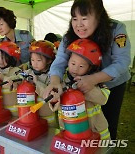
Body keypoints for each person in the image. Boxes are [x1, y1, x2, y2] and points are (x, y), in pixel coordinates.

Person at [44, 0, 131, 140]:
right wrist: (54, 82)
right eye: (74, 18)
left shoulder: (116, 29)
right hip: (82, 83)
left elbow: (122, 61)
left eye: (84, 18)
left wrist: (93, 79)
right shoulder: (69, 36)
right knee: (83, 119)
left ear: (99, 16)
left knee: (107, 123)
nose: (79, 25)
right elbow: (59, 61)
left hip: (113, 84)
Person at [57, 39, 110, 139]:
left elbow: (103, 99)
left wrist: (85, 87)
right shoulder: (62, 79)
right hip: (70, 129)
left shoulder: (96, 81)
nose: (75, 69)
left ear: (90, 68)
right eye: (73, 64)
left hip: (95, 131)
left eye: (81, 66)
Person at [0, 7, 35, 73]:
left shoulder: (26, 36)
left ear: (9, 22)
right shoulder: (2, 42)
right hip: (12, 74)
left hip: (29, 72)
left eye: (1, 24)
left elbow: (37, 54)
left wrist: (27, 65)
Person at [25, 40, 57, 127]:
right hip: (32, 117)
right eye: (32, 60)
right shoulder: (29, 72)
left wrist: (37, 83)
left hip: (48, 119)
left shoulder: (53, 77)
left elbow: (50, 96)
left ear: (49, 60)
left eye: (38, 60)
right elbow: (17, 77)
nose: (35, 63)